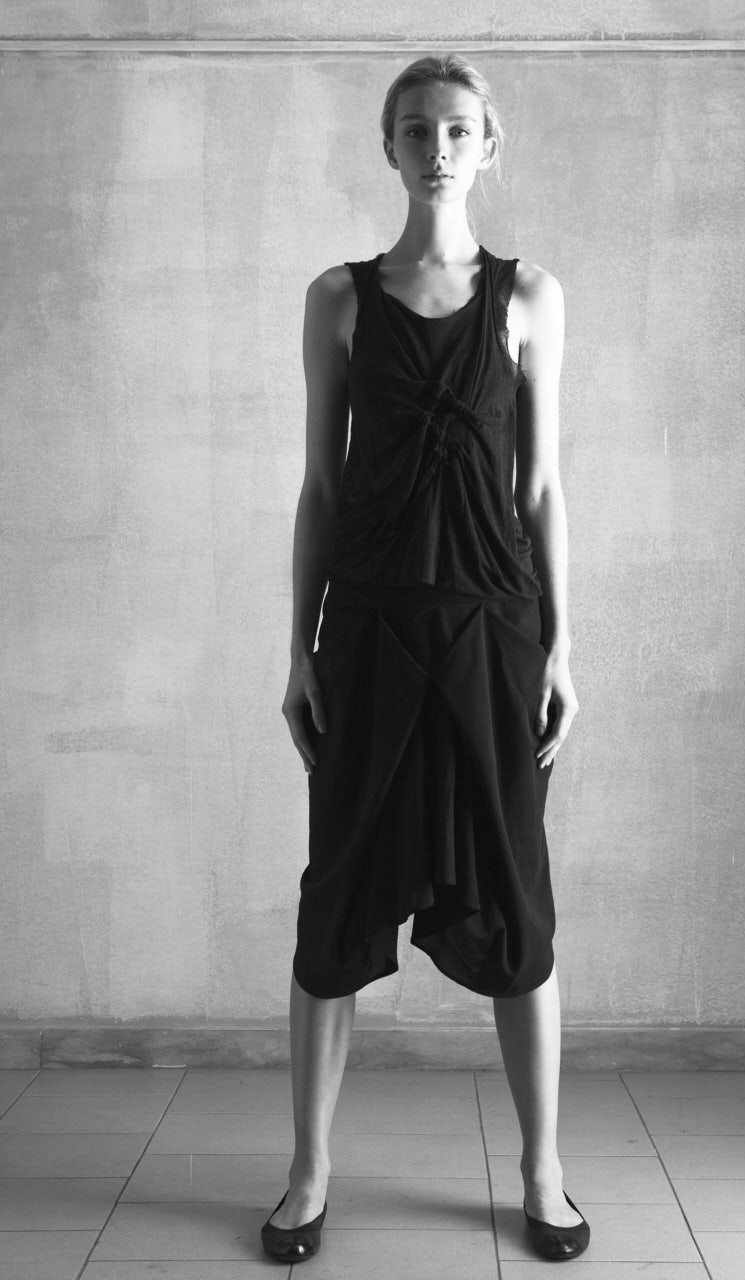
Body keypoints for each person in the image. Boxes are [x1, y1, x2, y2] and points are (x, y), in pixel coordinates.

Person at [262, 53, 588, 1265]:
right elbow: (321, 486)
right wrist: (298, 648)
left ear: (487, 143)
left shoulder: (529, 296)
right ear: (388, 146)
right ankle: (308, 1172)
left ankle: (543, 1169)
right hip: (370, 630)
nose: (436, 147)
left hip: (494, 631)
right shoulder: (338, 299)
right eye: (415, 129)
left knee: (518, 897)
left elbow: (541, 486)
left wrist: (564, 643)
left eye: (456, 129)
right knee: (336, 898)